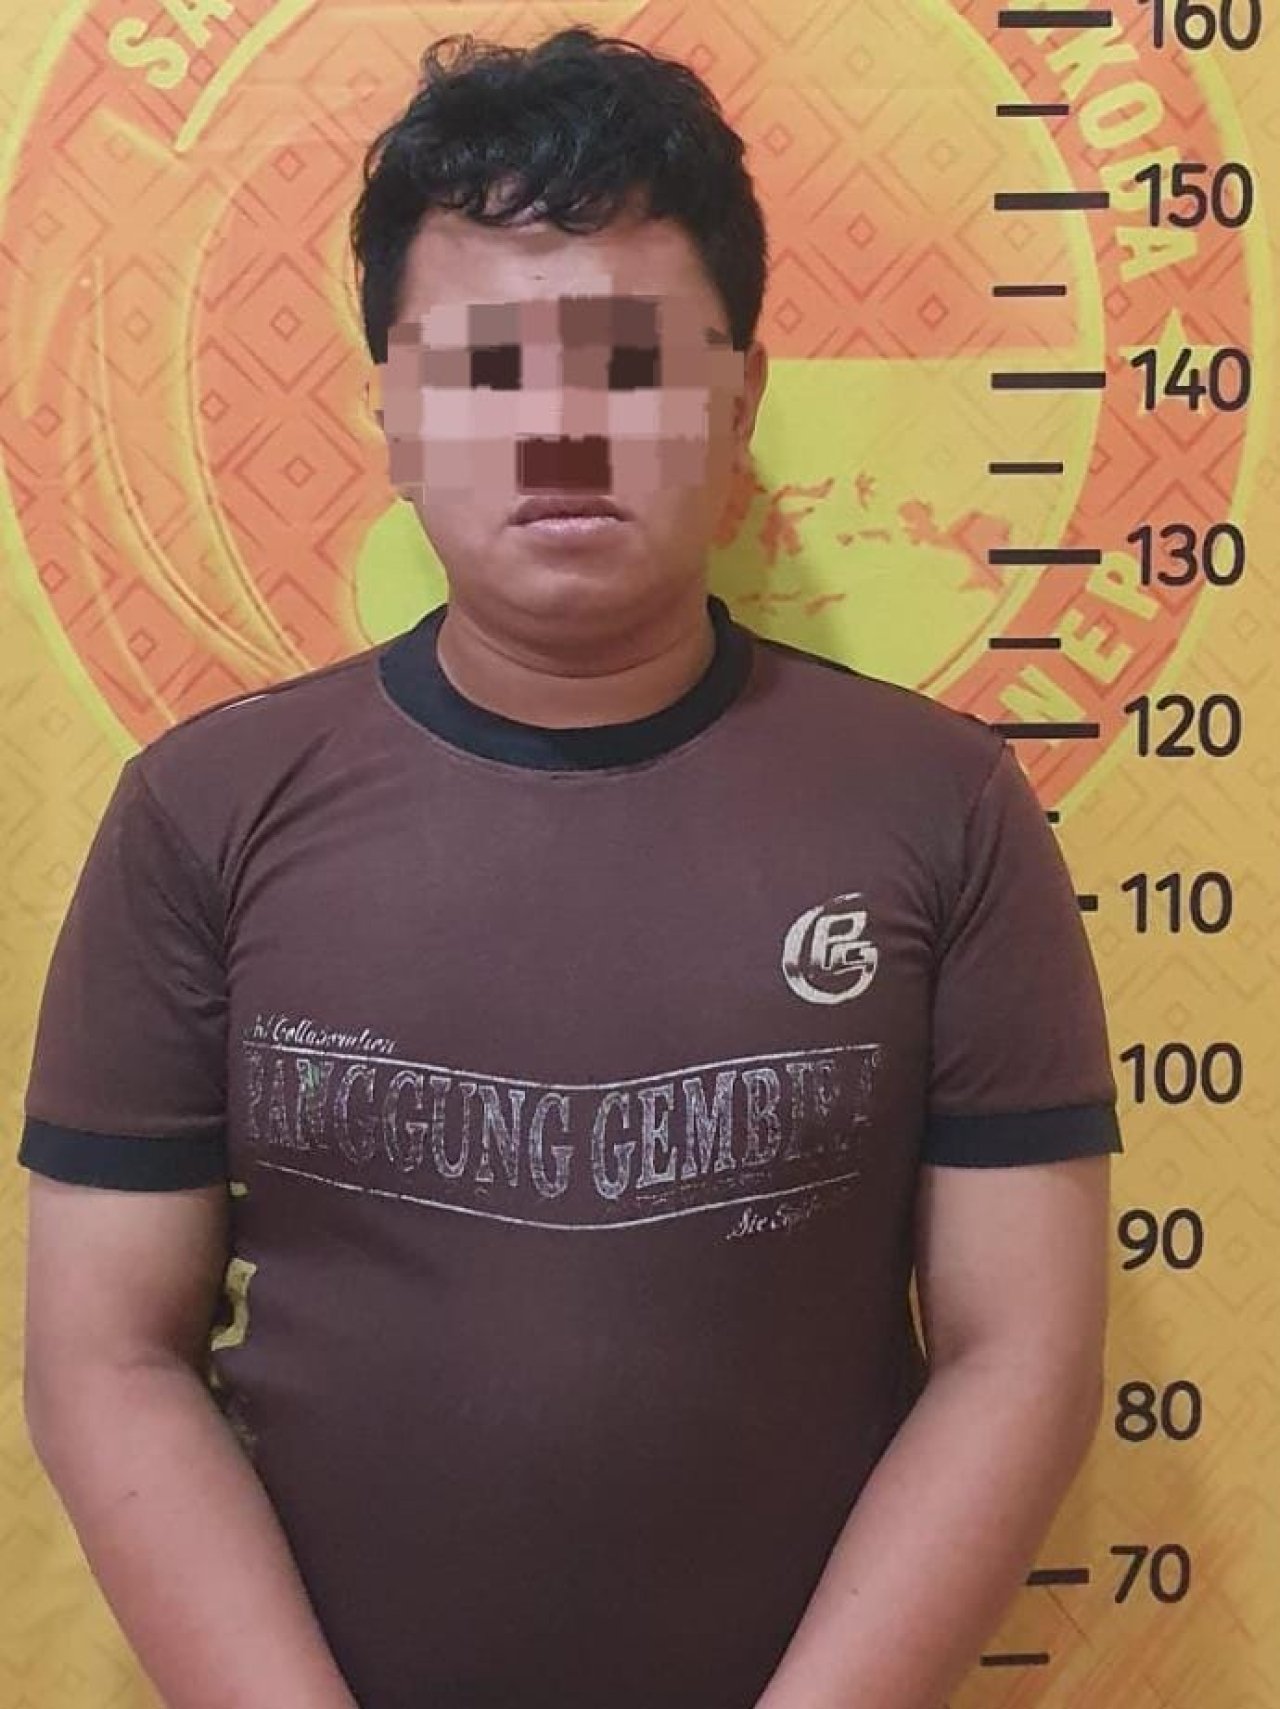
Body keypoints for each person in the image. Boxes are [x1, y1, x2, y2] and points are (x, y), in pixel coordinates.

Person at [18, 25, 1122, 1709]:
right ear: (393, 413)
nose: (559, 432)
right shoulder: (202, 812)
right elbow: (105, 1355)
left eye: (630, 366)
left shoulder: (946, 809)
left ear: (741, 401)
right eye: (484, 370)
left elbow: (1019, 1354)